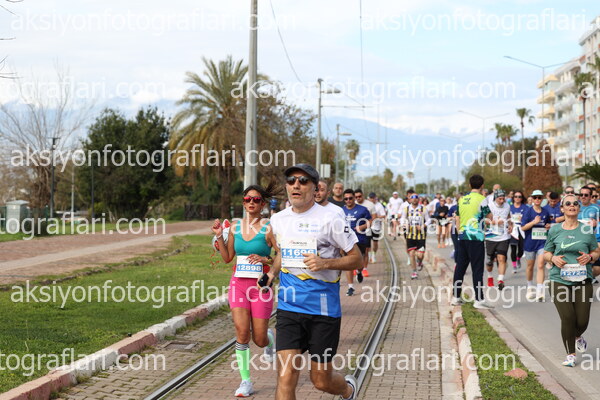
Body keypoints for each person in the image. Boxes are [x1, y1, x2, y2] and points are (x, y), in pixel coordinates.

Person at [266, 164, 360, 400]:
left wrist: (325, 263)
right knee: (286, 375)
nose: (296, 185)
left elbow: (356, 258)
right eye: (291, 181)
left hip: (323, 310)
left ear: (315, 188)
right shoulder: (278, 219)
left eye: (303, 181)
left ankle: (347, 390)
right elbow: (282, 252)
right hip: (289, 307)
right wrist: (271, 274)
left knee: (320, 380)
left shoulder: (331, 218)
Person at [212, 183, 278, 397]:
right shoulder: (234, 227)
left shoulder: (269, 227)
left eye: (256, 199)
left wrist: (265, 259)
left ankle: (269, 339)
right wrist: (219, 236)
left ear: (263, 204)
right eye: (247, 199)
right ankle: (245, 381)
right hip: (238, 285)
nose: (251, 202)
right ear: (243, 202)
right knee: (242, 332)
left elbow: (280, 256)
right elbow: (227, 258)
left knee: (259, 339)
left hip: (260, 287)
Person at [543, 194, 600, 367]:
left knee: (582, 321)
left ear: (579, 208)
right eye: (567, 203)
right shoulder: (554, 230)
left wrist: (590, 257)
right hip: (558, 279)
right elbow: (546, 253)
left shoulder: (586, 230)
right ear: (562, 208)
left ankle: (577, 336)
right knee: (567, 317)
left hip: (583, 279)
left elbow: (596, 251)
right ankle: (571, 355)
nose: (572, 205)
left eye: (575, 203)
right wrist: (553, 259)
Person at [451, 175, 493, 309]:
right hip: (476, 238)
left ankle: (456, 297)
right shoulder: (482, 199)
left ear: (469, 185)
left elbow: (457, 218)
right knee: (477, 269)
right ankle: (479, 300)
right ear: (482, 186)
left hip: (462, 237)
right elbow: (489, 217)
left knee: (460, 268)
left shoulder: (462, 199)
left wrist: (460, 232)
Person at [521, 189, 552, 301]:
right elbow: (523, 227)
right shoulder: (528, 211)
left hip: (542, 243)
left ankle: (540, 291)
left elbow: (548, 224)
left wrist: (548, 226)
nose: (537, 199)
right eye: (535, 197)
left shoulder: (545, 212)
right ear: (532, 199)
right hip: (530, 243)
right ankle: (530, 287)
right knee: (530, 266)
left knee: (540, 265)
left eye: (539, 197)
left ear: (542, 199)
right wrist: (533, 222)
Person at [343, 189, 372, 295]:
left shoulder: (363, 209)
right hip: (346, 240)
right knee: (348, 263)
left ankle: (359, 271)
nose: (348, 200)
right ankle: (350, 287)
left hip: (360, 239)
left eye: (350, 198)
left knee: (360, 263)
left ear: (354, 198)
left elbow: (370, 221)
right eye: (346, 199)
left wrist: (362, 227)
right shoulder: (341, 211)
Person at [483, 189, 512, 290]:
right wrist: (495, 222)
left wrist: (510, 225)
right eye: (500, 199)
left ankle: (500, 280)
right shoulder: (489, 206)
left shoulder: (507, 206)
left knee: (502, 258)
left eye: (503, 198)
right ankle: (490, 276)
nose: (502, 200)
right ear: (495, 198)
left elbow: (509, 217)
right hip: (491, 236)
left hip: (504, 236)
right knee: (489, 261)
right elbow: (485, 220)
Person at [400, 194, 430, 279]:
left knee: (420, 255)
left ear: (418, 200)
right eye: (412, 198)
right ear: (410, 200)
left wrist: (423, 226)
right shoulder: (406, 209)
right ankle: (414, 272)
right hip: (410, 235)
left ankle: (419, 262)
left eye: (416, 198)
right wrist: (404, 224)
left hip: (421, 235)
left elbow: (429, 220)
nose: (414, 199)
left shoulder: (423, 209)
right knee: (411, 253)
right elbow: (402, 218)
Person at [355, 189, 376, 275]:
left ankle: (364, 268)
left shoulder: (370, 204)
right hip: (355, 232)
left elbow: (374, 217)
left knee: (366, 250)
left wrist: (364, 226)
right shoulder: (353, 204)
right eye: (356, 197)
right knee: (355, 250)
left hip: (366, 231)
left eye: (359, 196)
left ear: (363, 195)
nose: (358, 198)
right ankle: (355, 267)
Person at [509, 190, 526, 273]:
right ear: (513, 198)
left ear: (522, 198)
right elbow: (507, 218)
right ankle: (514, 266)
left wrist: (523, 219)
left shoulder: (525, 207)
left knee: (521, 249)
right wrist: (509, 224)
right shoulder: (510, 207)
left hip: (522, 229)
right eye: (516, 196)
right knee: (513, 248)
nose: (517, 198)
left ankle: (518, 258)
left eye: (519, 196)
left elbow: (528, 217)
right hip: (513, 230)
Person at [368, 193, 386, 263]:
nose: (372, 199)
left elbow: (383, 215)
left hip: (376, 227)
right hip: (368, 226)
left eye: (373, 198)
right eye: (371, 198)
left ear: (375, 198)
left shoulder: (379, 205)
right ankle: (369, 255)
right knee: (367, 243)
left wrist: (376, 217)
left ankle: (374, 254)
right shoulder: (367, 205)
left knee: (375, 242)